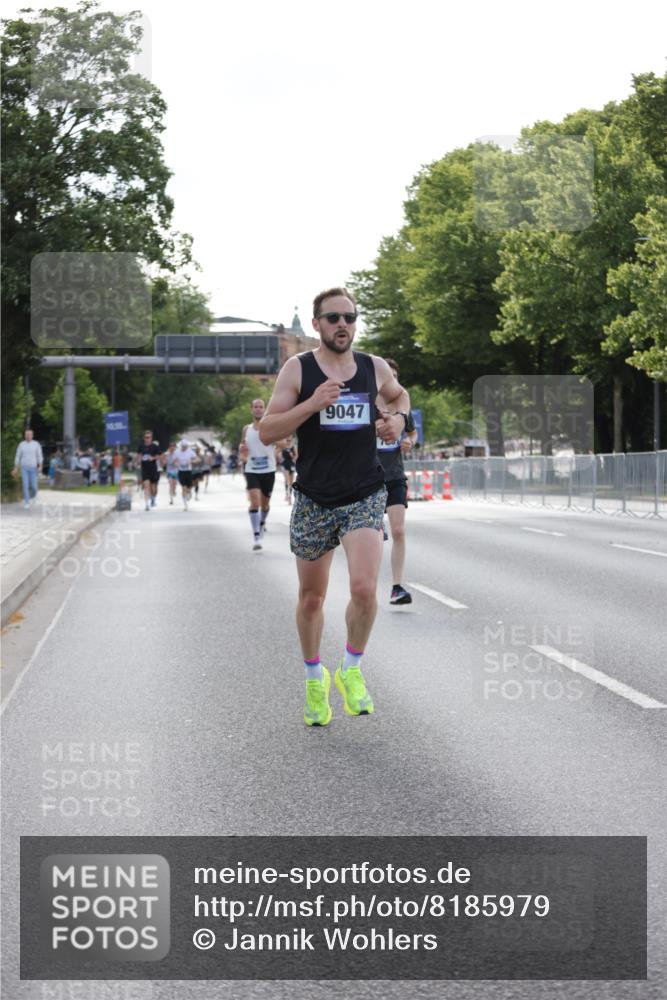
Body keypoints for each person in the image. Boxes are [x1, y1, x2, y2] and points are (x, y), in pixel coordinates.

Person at [259, 286, 410, 726]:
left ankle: (351, 670)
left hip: (364, 493)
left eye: (349, 317)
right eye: (333, 318)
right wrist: (312, 403)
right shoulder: (298, 369)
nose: (342, 325)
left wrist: (397, 421)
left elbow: (400, 398)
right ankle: (314, 679)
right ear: (317, 325)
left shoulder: (372, 367)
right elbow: (268, 431)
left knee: (364, 590)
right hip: (314, 498)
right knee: (311, 599)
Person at [377, 359, 418, 605]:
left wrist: (409, 442)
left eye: (394, 376)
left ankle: (397, 587)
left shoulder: (402, 410)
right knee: (372, 539)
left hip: (394, 475)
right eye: (387, 375)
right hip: (367, 479)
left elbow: (411, 432)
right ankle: (365, 586)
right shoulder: (366, 406)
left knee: (399, 531)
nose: (391, 380)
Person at [240, 399, 277, 550]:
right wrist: (243, 454)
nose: (258, 409)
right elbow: (243, 446)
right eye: (255, 407)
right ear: (251, 410)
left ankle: (262, 523)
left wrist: (278, 441)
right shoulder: (246, 429)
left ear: (264, 409)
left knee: (265, 504)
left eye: (261, 407)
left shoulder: (271, 427)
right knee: (254, 502)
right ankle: (256, 536)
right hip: (251, 469)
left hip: (268, 470)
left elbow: (283, 443)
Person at [13, 428, 44, 509]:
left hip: (33, 468)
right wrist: (16, 467)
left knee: (34, 487)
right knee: (25, 485)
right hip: (24, 468)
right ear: (25, 435)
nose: (28, 436)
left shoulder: (36, 444)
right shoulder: (21, 445)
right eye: (27, 434)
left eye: (30, 434)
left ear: (32, 435)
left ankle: (33, 497)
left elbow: (39, 455)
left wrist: (40, 465)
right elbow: (18, 456)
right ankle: (27, 502)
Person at [135, 430, 160, 511]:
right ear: (144, 438)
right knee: (146, 486)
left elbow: (159, 456)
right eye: (146, 437)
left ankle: (153, 499)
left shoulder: (155, 446)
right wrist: (138, 461)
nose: (147, 439)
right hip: (144, 469)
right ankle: (146, 504)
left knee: (153, 489)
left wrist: (153, 458)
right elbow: (138, 455)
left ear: (151, 438)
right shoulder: (141, 446)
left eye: (149, 437)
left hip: (153, 469)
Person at [172, 438, 196, 510]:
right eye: (183, 446)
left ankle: (189, 492)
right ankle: (185, 505)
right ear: (181, 446)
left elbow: (198, 459)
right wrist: (176, 464)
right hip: (181, 471)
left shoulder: (190, 452)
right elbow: (174, 461)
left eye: (185, 446)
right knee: (183, 487)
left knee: (189, 487)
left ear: (187, 446)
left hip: (188, 471)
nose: (184, 447)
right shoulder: (177, 452)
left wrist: (191, 462)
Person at [279, 436, 297, 504]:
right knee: (287, 480)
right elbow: (279, 455)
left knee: (291, 482)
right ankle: (287, 494)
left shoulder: (293, 446)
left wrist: (293, 456)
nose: (288, 440)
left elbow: (296, 456)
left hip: (291, 464)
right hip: (285, 464)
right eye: (287, 439)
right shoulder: (283, 446)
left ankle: (289, 496)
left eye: (289, 439)